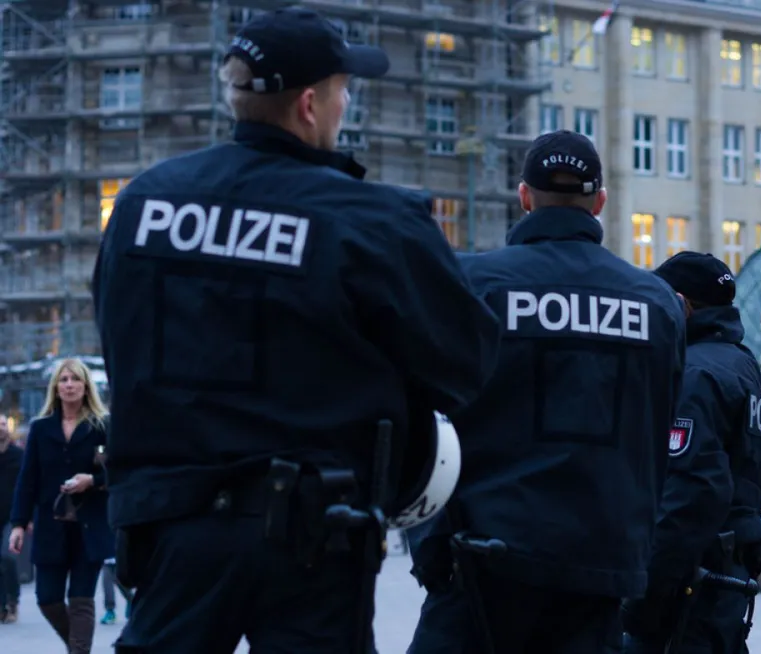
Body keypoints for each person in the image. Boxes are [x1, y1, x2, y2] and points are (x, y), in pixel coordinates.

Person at [91, 7, 500, 654]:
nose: (345, 106)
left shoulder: (144, 203)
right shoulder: (373, 219)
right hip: (313, 534)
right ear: (310, 104)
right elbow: (466, 362)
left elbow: (119, 336)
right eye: (343, 91)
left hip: (172, 525)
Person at [406, 130, 688, 654]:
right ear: (600, 202)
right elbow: (658, 434)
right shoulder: (657, 304)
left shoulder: (472, 283)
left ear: (524, 196)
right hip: (600, 564)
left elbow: (426, 418)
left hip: (483, 558)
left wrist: (428, 544)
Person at [622, 253, 761, 654]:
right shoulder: (741, 365)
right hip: (726, 577)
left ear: (680, 303)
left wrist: (642, 603)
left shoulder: (692, 374)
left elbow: (687, 497)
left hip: (687, 588)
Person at [7, 358, 113, 654]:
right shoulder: (41, 428)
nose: (69, 384)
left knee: (81, 600)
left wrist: (91, 480)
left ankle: (79, 650)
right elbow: (27, 480)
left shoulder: (102, 425)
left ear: (85, 385)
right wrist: (18, 524)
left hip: (89, 525)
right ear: (55, 387)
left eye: (75, 379)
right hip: (50, 526)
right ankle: (77, 646)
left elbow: (120, 469)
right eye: (63, 379)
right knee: (47, 598)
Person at [0, 413, 24, 624]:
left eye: (2, 424)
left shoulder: (18, 455)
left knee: (7, 557)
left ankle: (12, 601)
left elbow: (27, 485)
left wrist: (28, 517)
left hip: (12, 516)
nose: (0, 428)